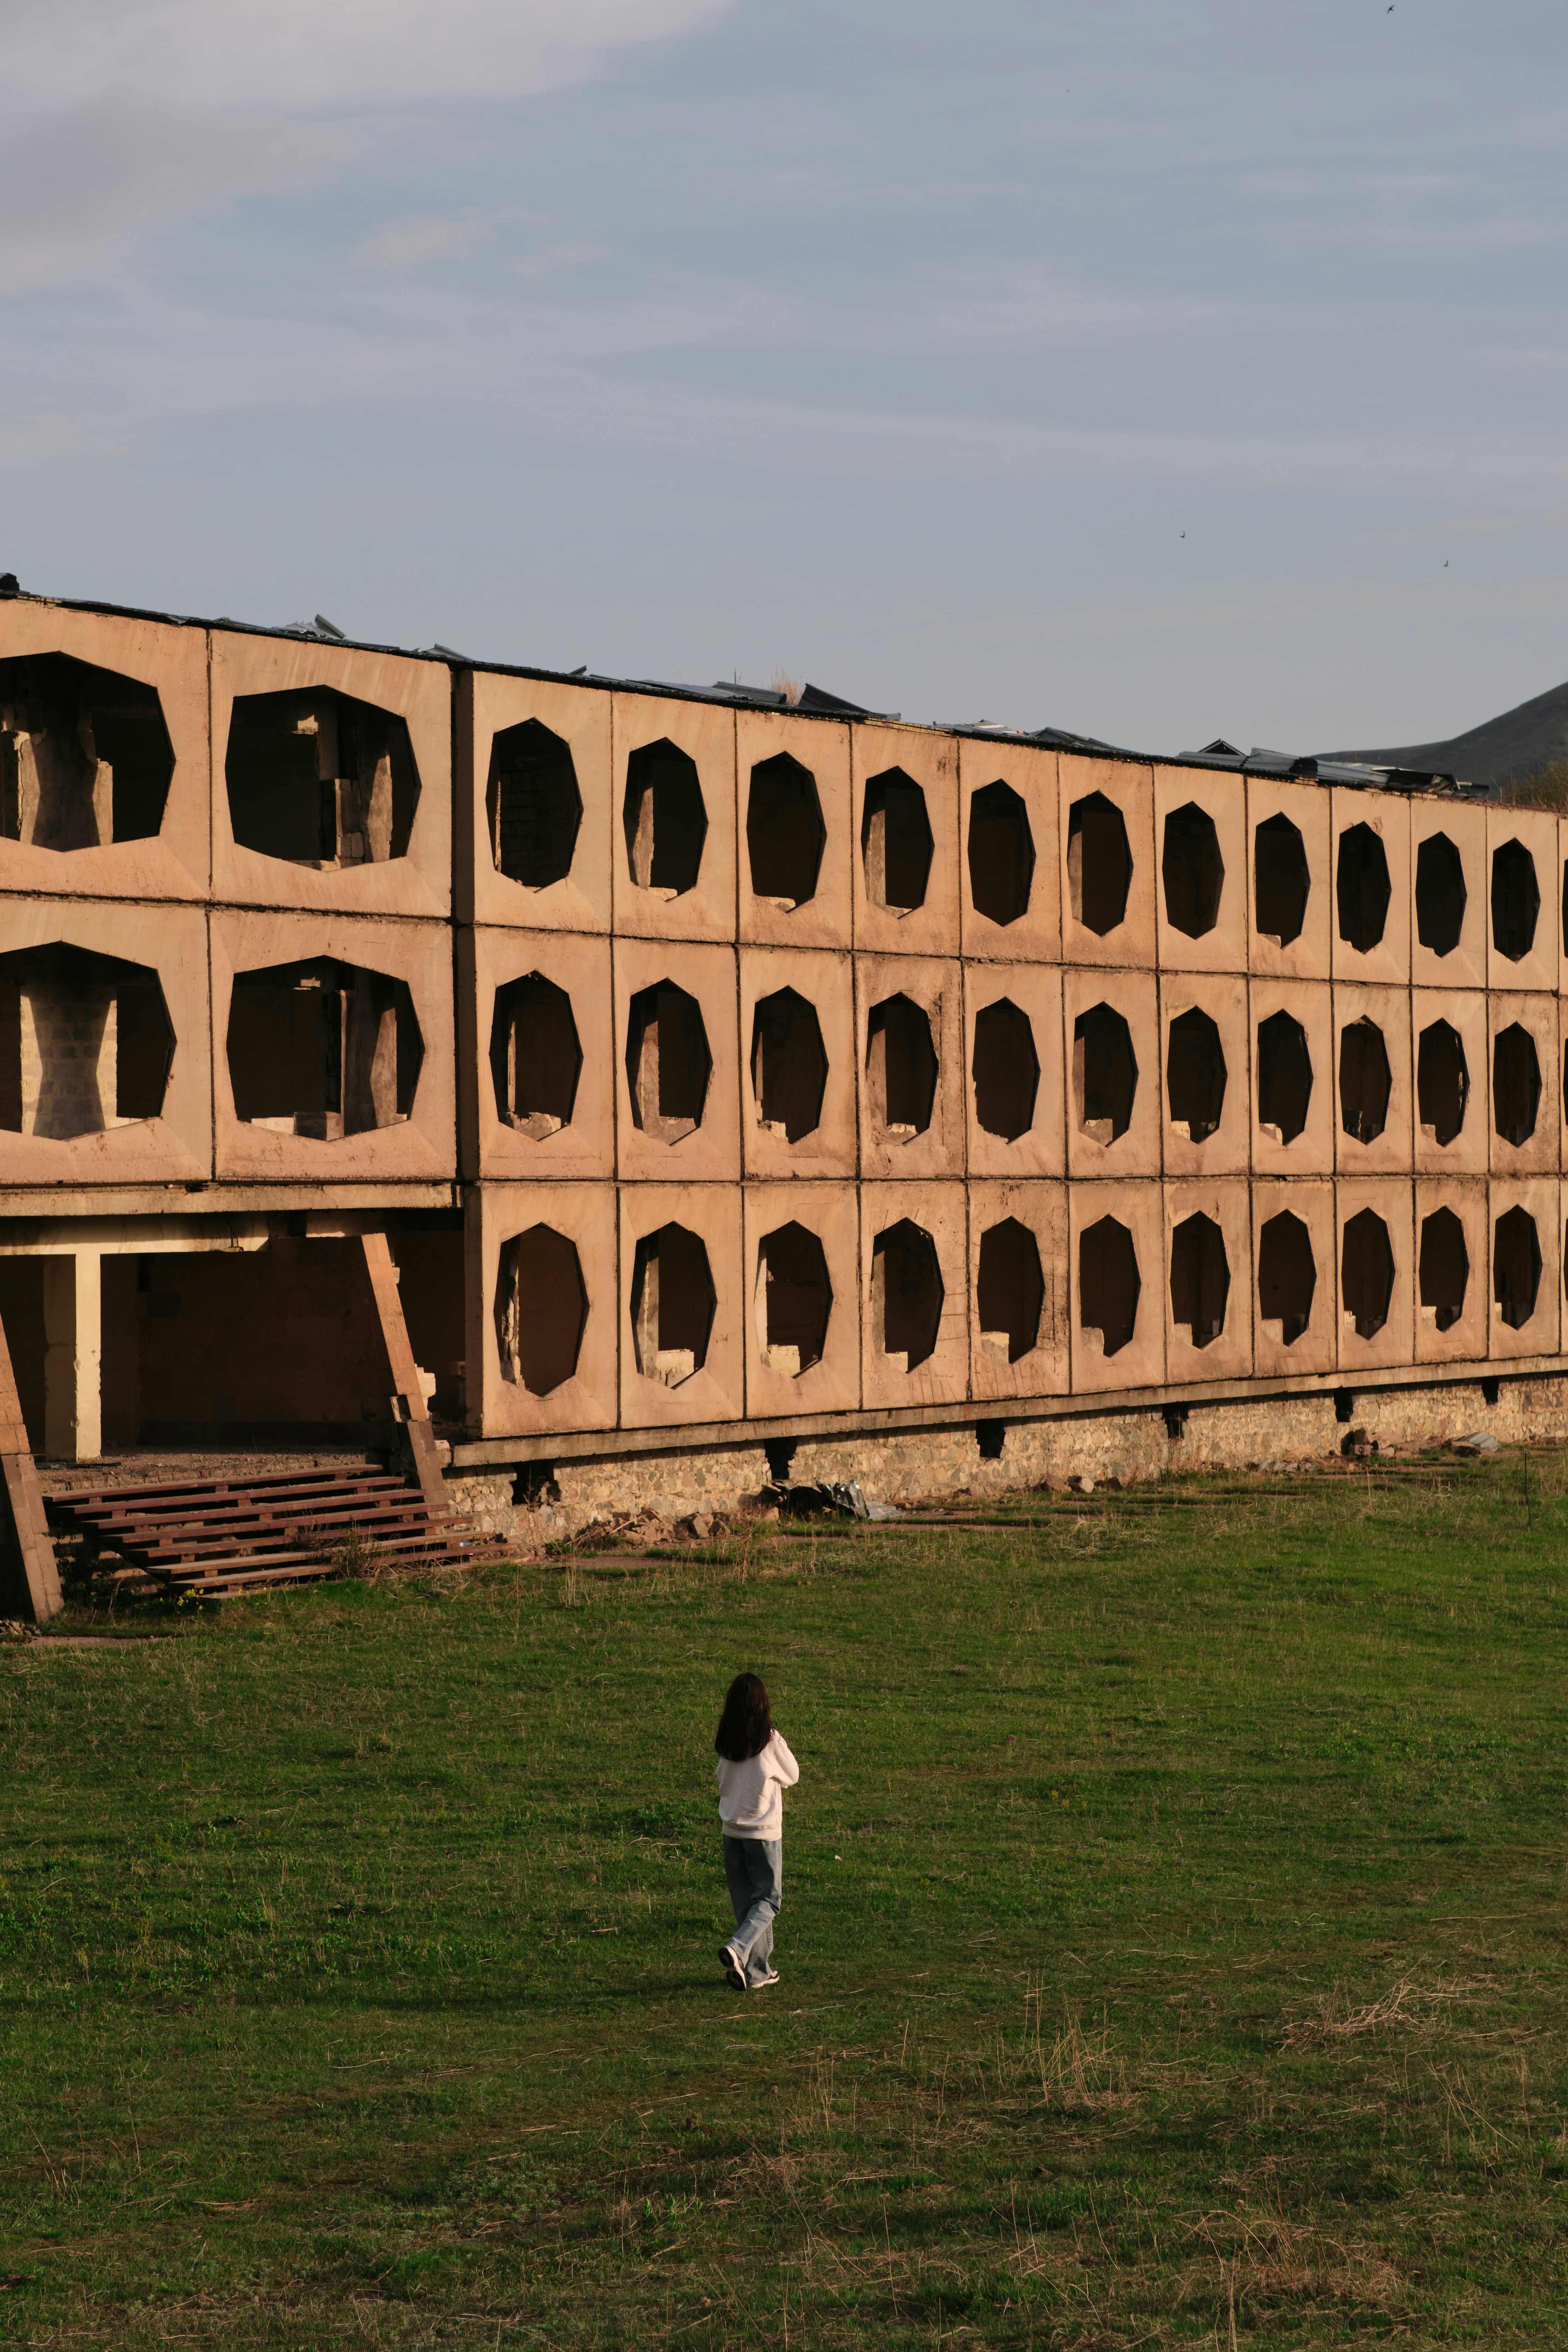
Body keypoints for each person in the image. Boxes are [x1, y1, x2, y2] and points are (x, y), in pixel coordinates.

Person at [713, 1671, 799, 1991]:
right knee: (768, 1900)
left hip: (731, 1831)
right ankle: (737, 1948)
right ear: (763, 1705)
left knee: (747, 1904)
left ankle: (757, 1972)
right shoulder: (770, 1740)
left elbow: (724, 1780)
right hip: (763, 1833)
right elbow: (793, 1775)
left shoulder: (727, 1741)